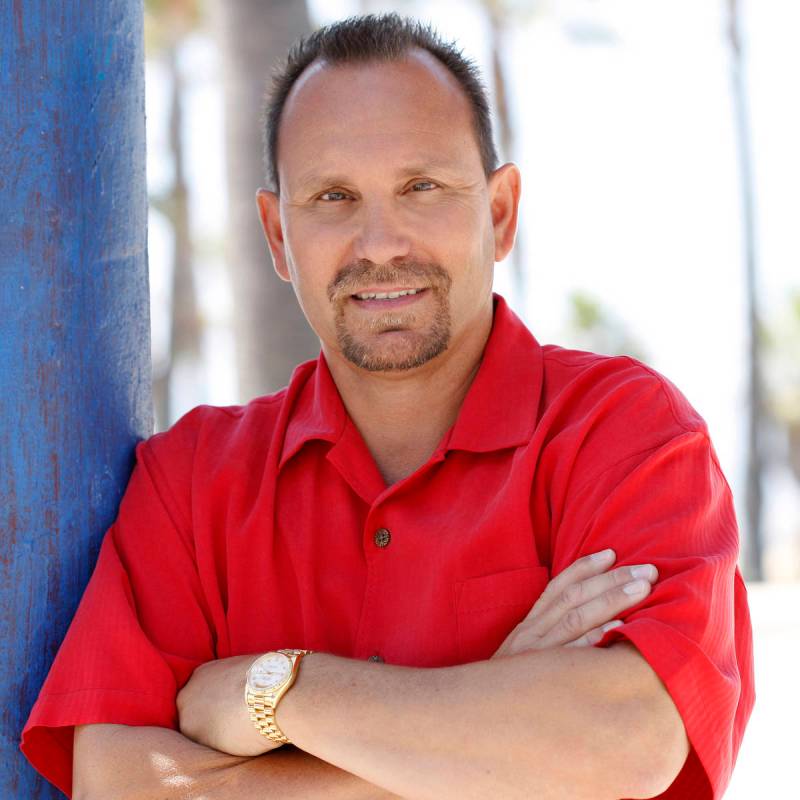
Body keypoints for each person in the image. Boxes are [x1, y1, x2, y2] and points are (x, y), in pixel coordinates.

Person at [21, 12, 753, 800]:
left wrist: (272, 693)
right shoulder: (190, 480)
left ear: (500, 212)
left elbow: (628, 739)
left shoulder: (624, 434)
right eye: (333, 196)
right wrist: (492, 741)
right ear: (277, 235)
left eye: (422, 187)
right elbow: (116, 783)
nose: (379, 242)